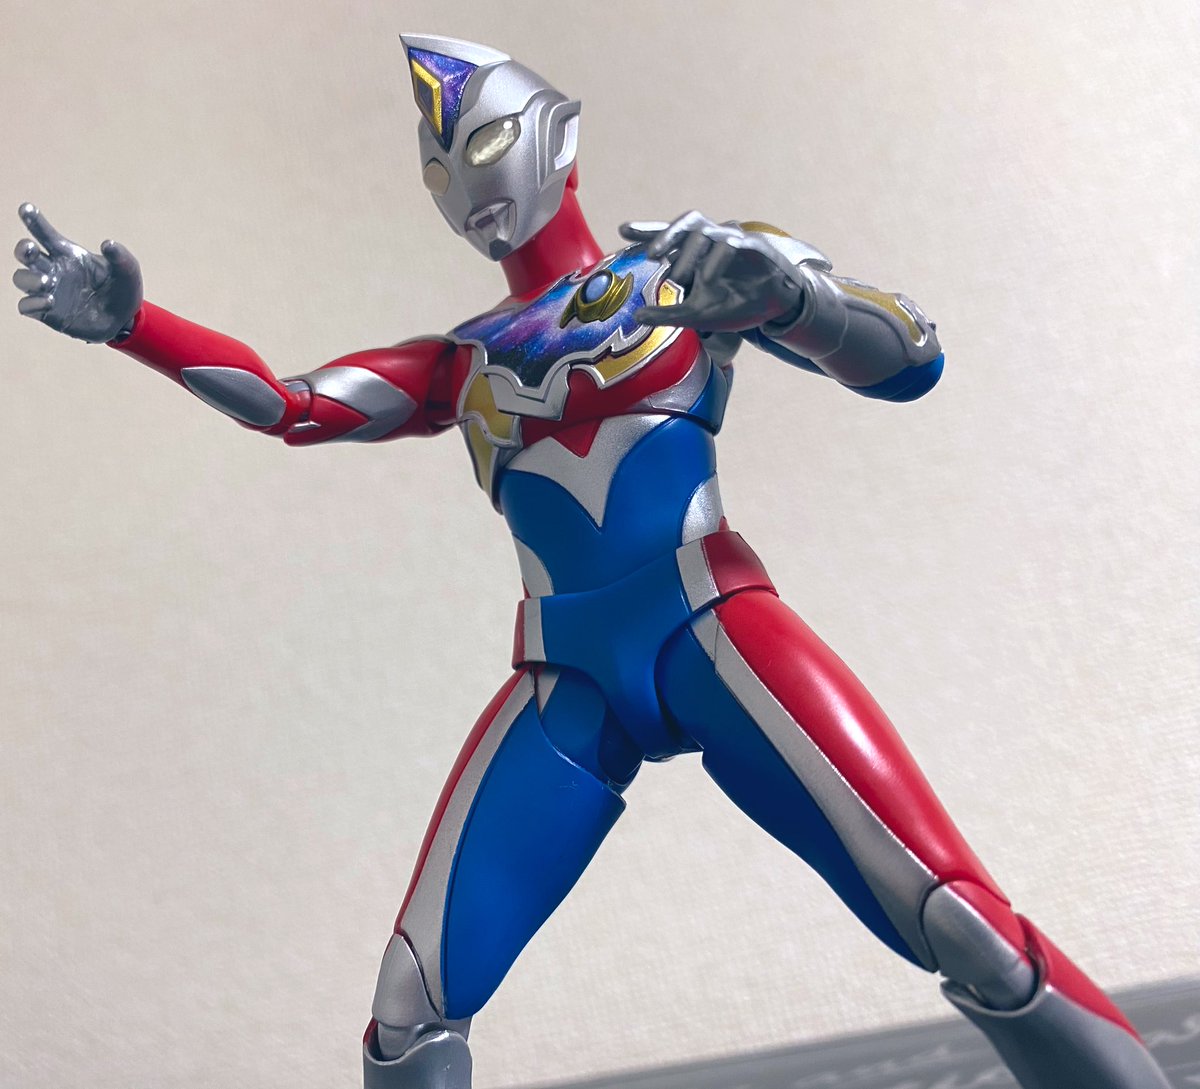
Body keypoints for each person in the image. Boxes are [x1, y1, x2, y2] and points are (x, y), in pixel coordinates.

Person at [12, 32, 1169, 1089]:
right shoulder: (462, 361)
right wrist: (134, 326)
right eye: (437, 167)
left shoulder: (684, 275)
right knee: (409, 1011)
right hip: (564, 677)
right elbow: (291, 404)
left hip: (713, 627)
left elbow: (909, 358)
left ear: (558, 136)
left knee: (953, 915)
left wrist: (792, 300)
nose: (462, 183)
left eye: (482, 145)